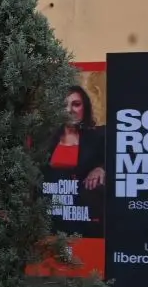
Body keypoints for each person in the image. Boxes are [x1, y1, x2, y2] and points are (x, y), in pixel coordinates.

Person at [43, 85, 106, 238]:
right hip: (50, 218)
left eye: (76, 104)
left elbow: (121, 158)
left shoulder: (98, 137)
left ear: (85, 107)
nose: (70, 110)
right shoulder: (43, 139)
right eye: (64, 105)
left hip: (84, 219)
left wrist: (102, 168)